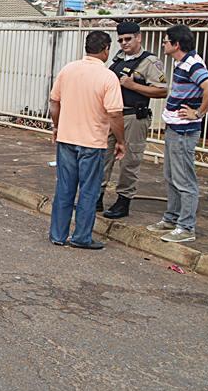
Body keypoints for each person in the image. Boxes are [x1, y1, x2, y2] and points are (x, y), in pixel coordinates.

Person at [49, 30, 125, 250]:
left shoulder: (68, 70)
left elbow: (54, 102)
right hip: (92, 142)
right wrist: (121, 140)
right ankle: (81, 236)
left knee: (64, 188)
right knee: (88, 191)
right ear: (106, 49)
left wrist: (57, 126)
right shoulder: (107, 76)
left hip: (66, 138)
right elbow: (115, 113)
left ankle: (58, 234)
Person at [147, 25, 208, 243]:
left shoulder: (193, 64)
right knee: (171, 176)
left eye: (167, 41)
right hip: (174, 128)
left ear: (176, 44)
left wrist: (197, 113)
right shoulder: (183, 63)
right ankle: (171, 218)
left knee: (184, 179)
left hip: (184, 131)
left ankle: (186, 227)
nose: (163, 44)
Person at [99, 21, 168, 218]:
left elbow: (162, 91)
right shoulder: (118, 59)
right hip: (114, 115)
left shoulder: (150, 62)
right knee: (103, 157)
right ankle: (97, 197)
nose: (124, 43)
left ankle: (123, 201)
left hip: (133, 117)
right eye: (120, 40)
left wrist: (133, 85)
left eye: (128, 39)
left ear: (138, 37)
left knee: (129, 160)